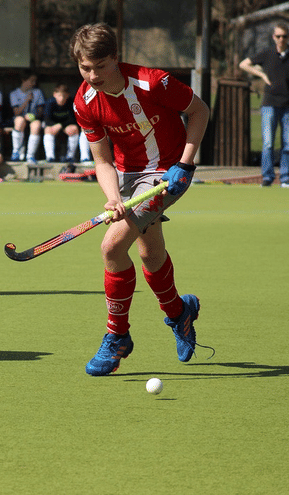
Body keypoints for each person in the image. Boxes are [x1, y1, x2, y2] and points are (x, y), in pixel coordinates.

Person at [69, 23, 211, 376]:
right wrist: (113, 199)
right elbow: (102, 160)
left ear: (115, 58)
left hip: (165, 174)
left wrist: (185, 164)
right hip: (128, 175)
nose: (93, 76)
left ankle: (117, 336)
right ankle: (180, 312)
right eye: (85, 68)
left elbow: (199, 111)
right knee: (150, 252)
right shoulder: (84, 101)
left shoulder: (153, 82)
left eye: (100, 67)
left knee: (112, 247)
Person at [239, 23, 289, 188]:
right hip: (269, 103)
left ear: (288, 37)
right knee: (268, 143)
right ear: (273, 37)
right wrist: (261, 74)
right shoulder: (267, 54)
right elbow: (243, 64)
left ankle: (285, 177)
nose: (281, 39)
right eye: (278, 36)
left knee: (287, 143)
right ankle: (267, 177)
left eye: (284, 36)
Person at [8, 69, 46, 163]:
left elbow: (40, 111)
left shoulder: (38, 92)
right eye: (31, 80)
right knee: (20, 120)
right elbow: (16, 112)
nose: (34, 83)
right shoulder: (14, 94)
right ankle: (16, 152)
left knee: (36, 125)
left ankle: (30, 155)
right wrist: (27, 100)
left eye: (35, 81)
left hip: (33, 118)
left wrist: (34, 116)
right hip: (19, 118)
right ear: (23, 80)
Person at [43, 84, 81, 163]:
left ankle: (70, 156)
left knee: (74, 129)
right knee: (48, 130)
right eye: (59, 95)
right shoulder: (50, 102)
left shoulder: (71, 103)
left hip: (65, 125)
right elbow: (47, 119)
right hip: (53, 125)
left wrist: (61, 125)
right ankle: (50, 157)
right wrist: (55, 126)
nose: (62, 98)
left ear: (68, 95)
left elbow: (73, 119)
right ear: (54, 94)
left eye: (64, 96)